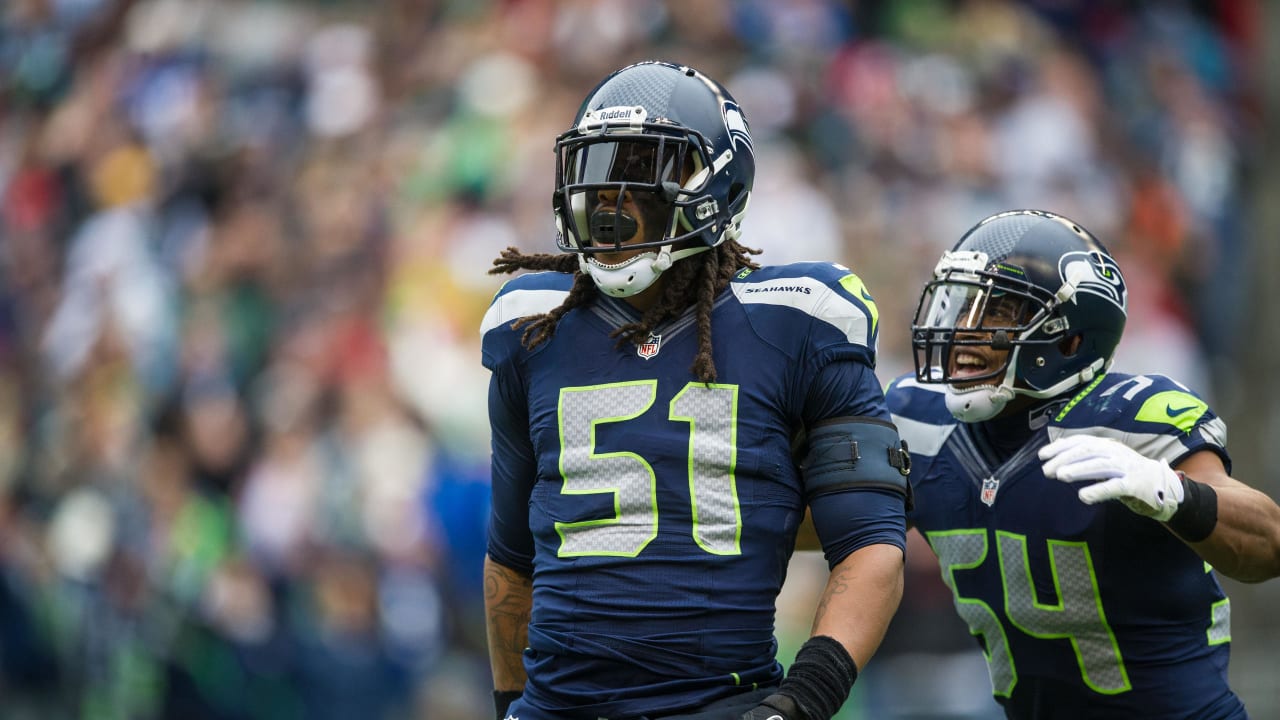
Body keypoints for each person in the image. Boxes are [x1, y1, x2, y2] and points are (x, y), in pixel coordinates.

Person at [480, 60, 911, 720]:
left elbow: (872, 548)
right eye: (597, 168)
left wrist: (800, 703)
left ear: (717, 182)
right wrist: (509, 705)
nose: (608, 196)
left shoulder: (800, 321)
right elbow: (510, 561)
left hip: (721, 704)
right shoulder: (530, 326)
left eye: (643, 167)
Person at [885, 208, 1280, 719]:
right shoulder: (917, 420)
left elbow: (1269, 544)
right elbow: (815, 525)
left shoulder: (1134, 417)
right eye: (963, 307)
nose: (965, 329)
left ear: (1069, 338)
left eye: (998, 311)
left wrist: (1172, 493)